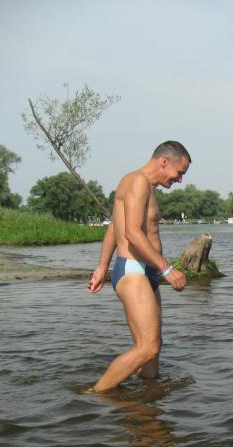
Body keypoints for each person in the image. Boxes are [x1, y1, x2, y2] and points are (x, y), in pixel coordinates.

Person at [87, 141, 190, 391]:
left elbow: (115, 226)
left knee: (153, 351)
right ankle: (94, 394)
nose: (180, 179)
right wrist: (167, 269)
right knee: (147, 347)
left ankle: (147, 399)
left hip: (147, 273)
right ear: (164, 162)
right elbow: (132, 233)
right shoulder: (137, 181)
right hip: (133, 270)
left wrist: (102, 266)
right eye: (179, 172)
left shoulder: (147, 187)